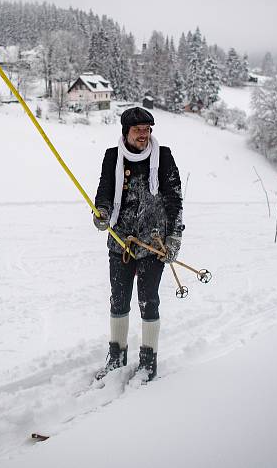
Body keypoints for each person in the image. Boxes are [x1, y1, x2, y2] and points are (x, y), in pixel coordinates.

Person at [92, 107, 183, 382]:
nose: (143, 135)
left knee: (148, 301)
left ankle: (148, 361)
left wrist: (175, 235)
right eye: (138, 130)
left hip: (154, 243)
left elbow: (174, 198)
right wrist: (102, 212)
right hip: (121, 241)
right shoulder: (113, 157)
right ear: (126, 132)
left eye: (147, 129)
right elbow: (105, 189)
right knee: (118, 299)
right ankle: (117, 358)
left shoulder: (163, 156)